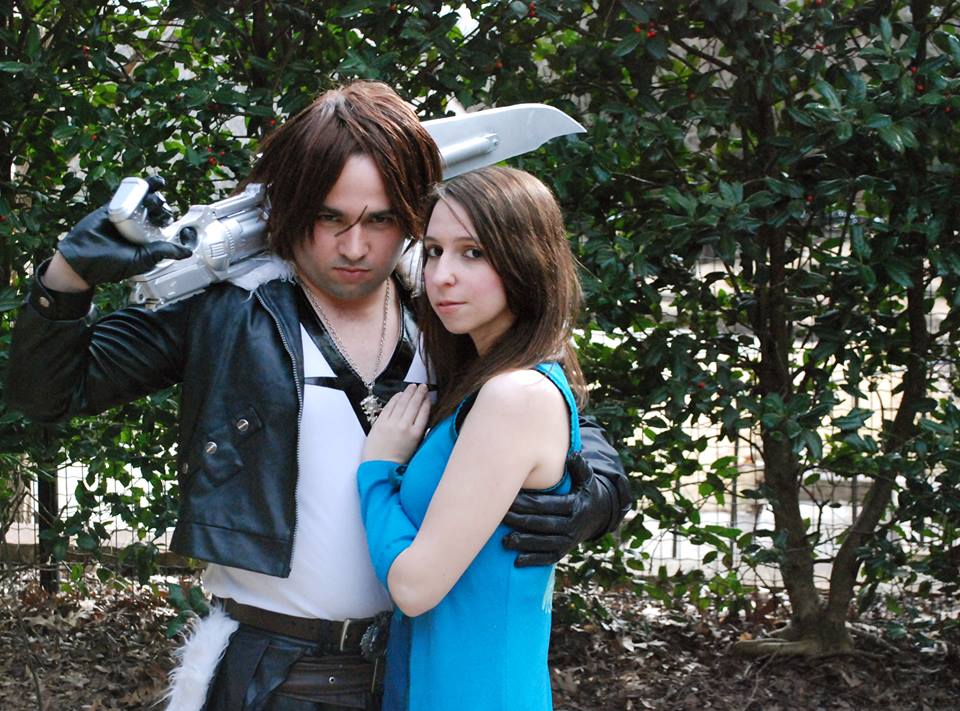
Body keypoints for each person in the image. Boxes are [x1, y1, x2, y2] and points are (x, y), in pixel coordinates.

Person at [7, 82, 632, 711]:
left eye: (380, 219)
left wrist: (595, 493)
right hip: (275, 679)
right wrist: (68, 277)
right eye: (330, 217)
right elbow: (50, 392)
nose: (355, 248)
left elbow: (548, 408)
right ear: (288, 209)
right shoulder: (228, 309)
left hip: (416, 670)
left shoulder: (445, 310)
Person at [357, 166, 589, 710]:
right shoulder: (480, 385)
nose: (441, 276)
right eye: (434, 251)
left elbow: (415, 587)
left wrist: (377, 472)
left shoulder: (516, 396)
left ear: (527, 260)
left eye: (473, 253)